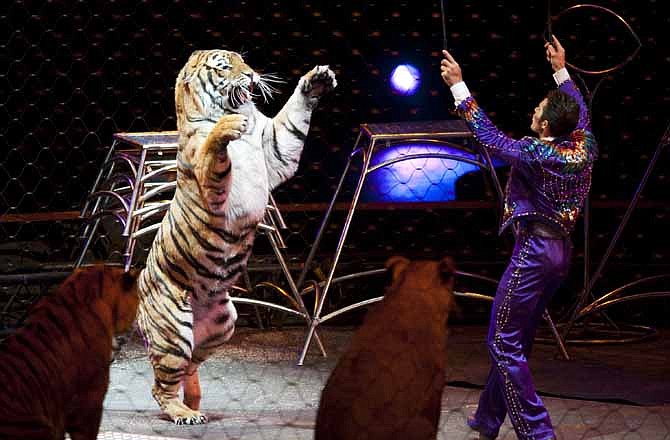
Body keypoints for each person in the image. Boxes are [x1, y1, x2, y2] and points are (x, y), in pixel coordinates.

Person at [440, 36, 598, 440]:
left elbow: (490, 137)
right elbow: (578, 110)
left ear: (545, 125)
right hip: (560, 252)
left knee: (501, 341)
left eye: (538, 110)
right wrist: (560, 69)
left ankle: (538, 433)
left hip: (534, 252)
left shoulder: (536, 152)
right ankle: (489, 418)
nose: (533, 110)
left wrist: (459, 86)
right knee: (517, 337)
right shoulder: (582, 142)